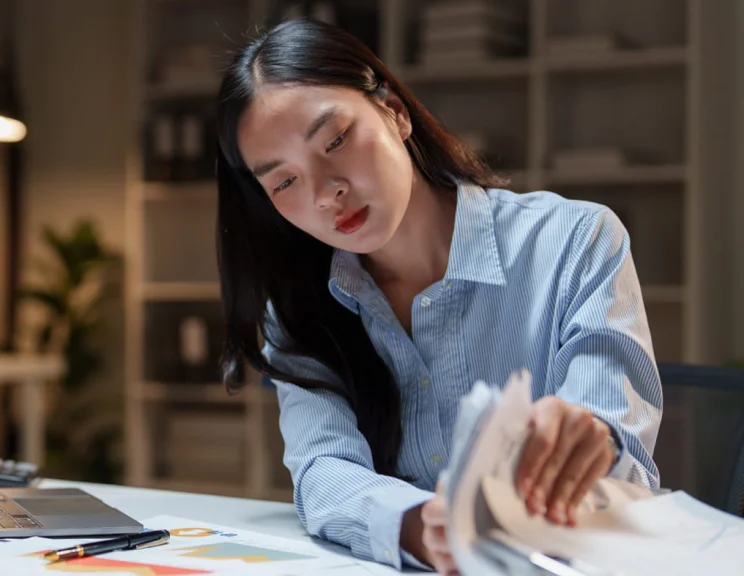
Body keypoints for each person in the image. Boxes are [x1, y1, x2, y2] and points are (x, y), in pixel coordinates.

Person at [213, 18, 662, 574]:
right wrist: (419, 526)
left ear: (395, 112)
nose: (327, 192)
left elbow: (621, 459)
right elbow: (322, 470)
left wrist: (590, 441)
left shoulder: (577, 240)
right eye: (284, 182)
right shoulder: (300, 307)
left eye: (335, 141)